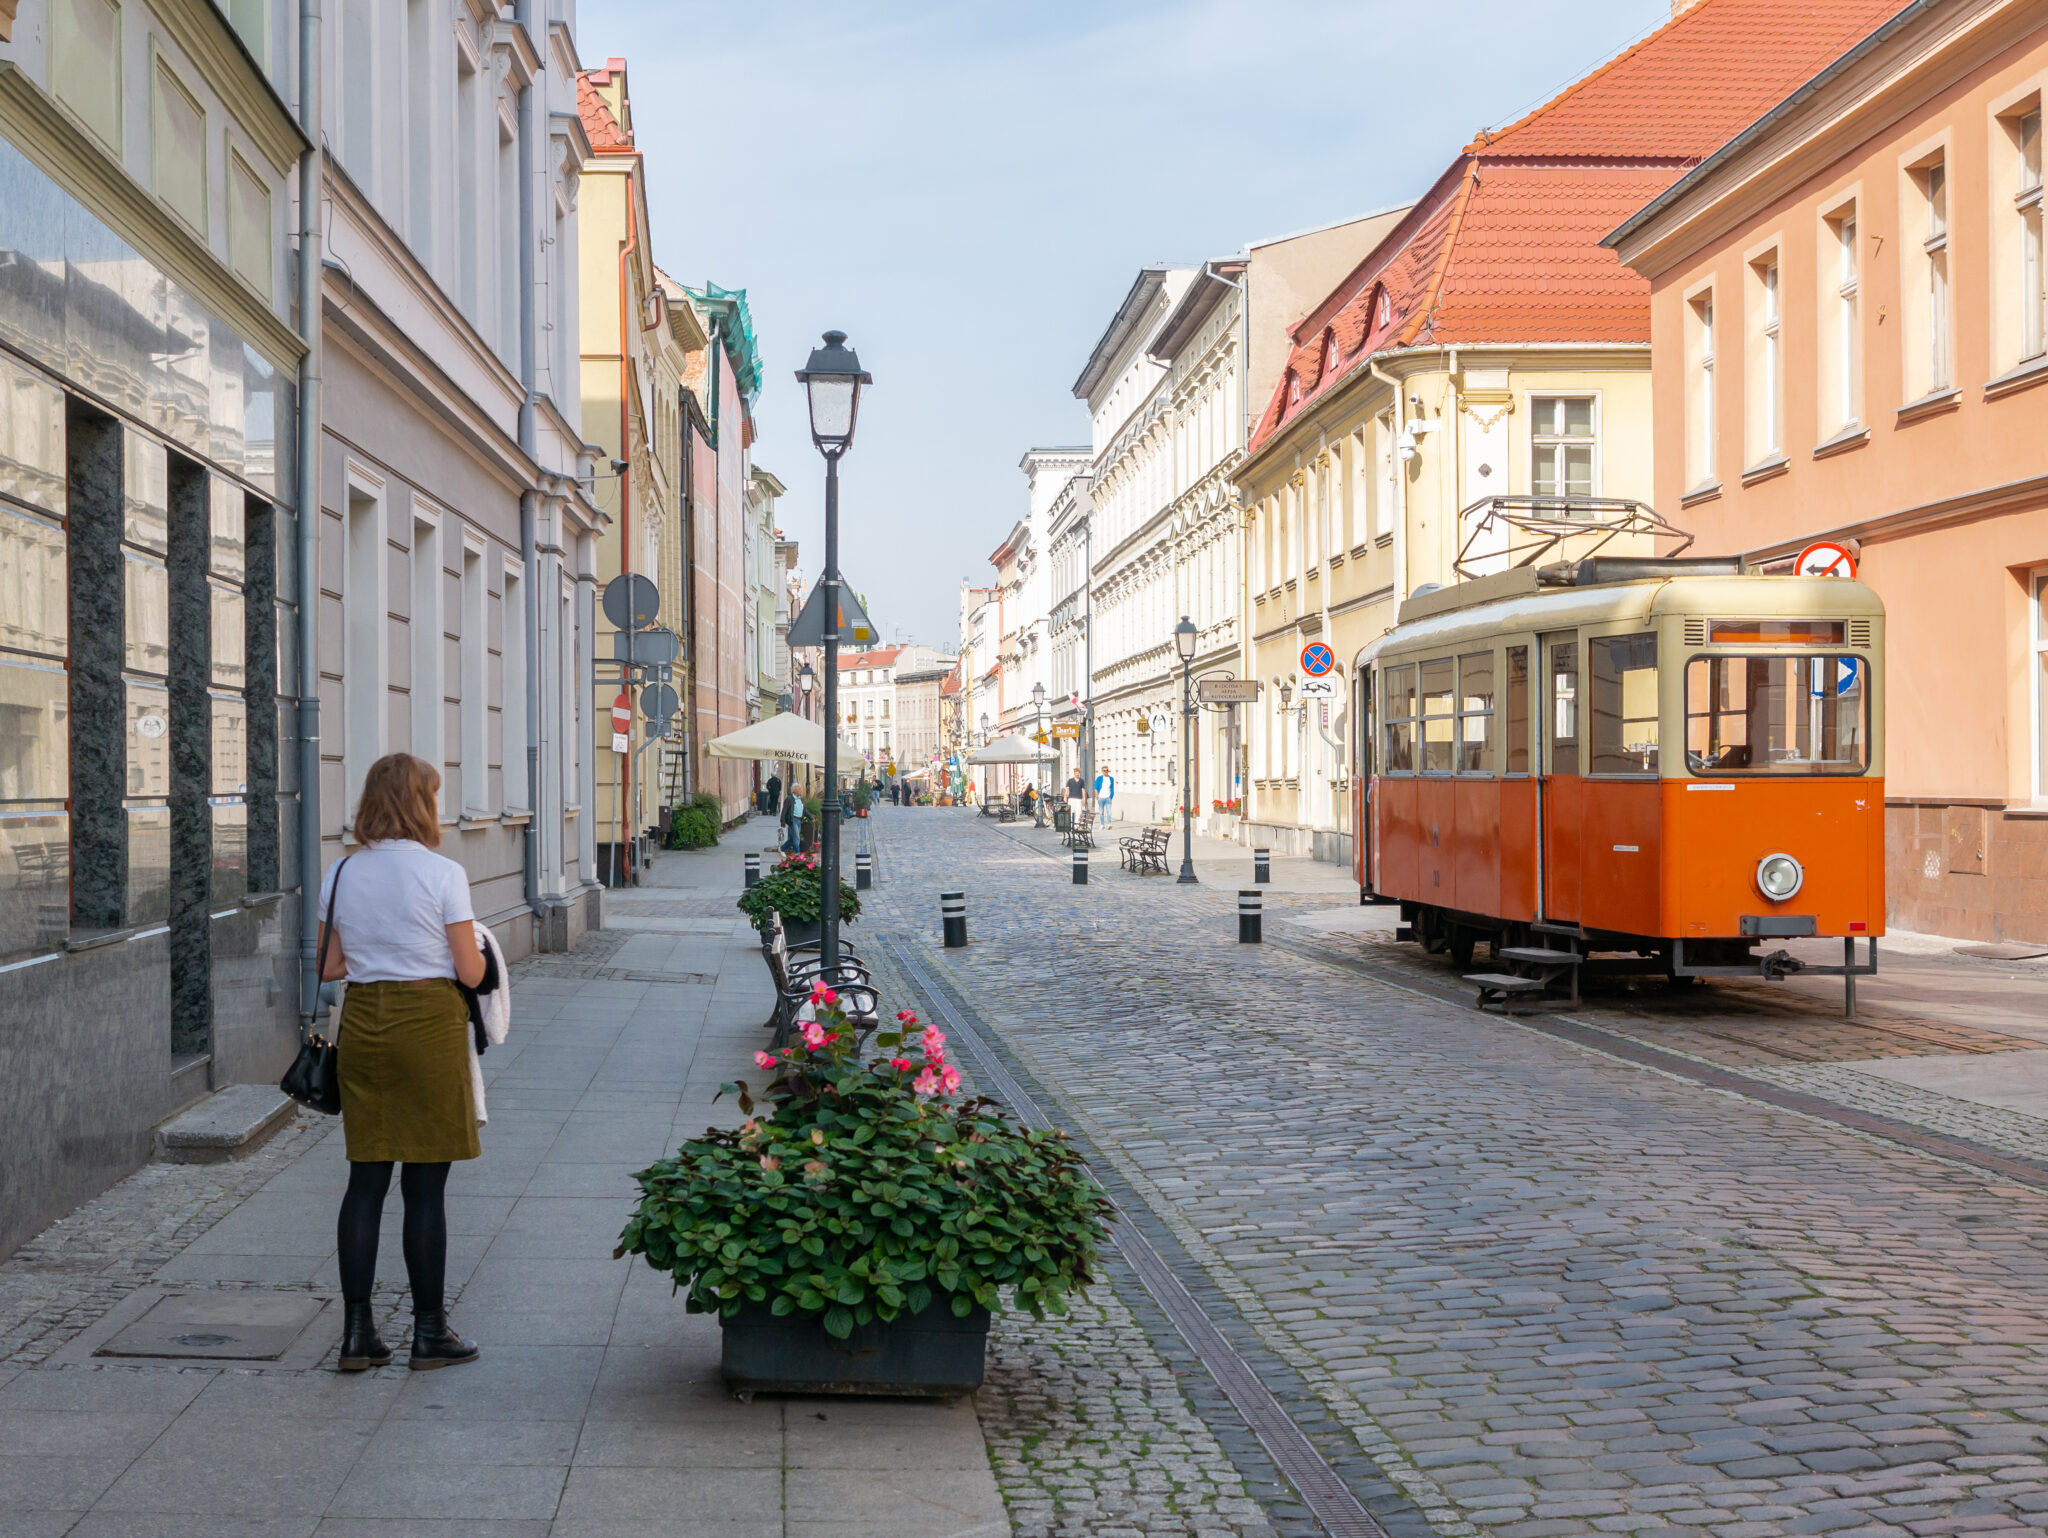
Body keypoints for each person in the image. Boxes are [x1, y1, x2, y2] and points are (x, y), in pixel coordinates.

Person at [319, 753, 486, 1374]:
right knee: (424, 1188)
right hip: (429, 1027)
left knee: (366, 1182)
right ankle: (428, 1332)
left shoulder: (342, 874)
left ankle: (357, 1335)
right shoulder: (443, 874)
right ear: (422, 804)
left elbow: (330, 966)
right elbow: (469, 971)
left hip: (365, 1024)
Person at [780, 787, 802, 853]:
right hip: (793, 820)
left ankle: (782, 848)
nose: (801, 791)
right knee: (797, 838)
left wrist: (811, 817)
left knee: (792, 839)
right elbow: (784, 810)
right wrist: (782, 821)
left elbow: (804, 810)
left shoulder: (800, 799)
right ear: (795, 791)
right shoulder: (789, 799)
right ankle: (797, 854)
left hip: (799, 820)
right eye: (799, 789)